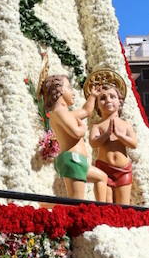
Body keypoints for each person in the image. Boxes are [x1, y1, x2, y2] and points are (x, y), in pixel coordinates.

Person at [41, 71, 108, 200]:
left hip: (78, 160)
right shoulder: (59, 112)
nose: (73, 92)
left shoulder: (66, 113)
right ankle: (43, 208)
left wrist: (93, 96)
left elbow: (86, 111)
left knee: (102, 178)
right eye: (69, 88)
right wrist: (83, 127)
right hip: (73, 159)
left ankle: (102, 209)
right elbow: (77, 133)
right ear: (59, 90)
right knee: (76, 200)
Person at [86, 70, 137, 206]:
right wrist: (107, 134)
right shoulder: (98, 126)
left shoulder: (126, 125)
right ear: (97, 105)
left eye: (112, 97)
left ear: (119, 102)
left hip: (123, 170)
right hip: (104, 170)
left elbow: (133, 144)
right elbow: (93, 143)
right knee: (106, 204)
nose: (108, 100)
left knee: (123, 205)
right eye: (102, 98)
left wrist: (120, 136)